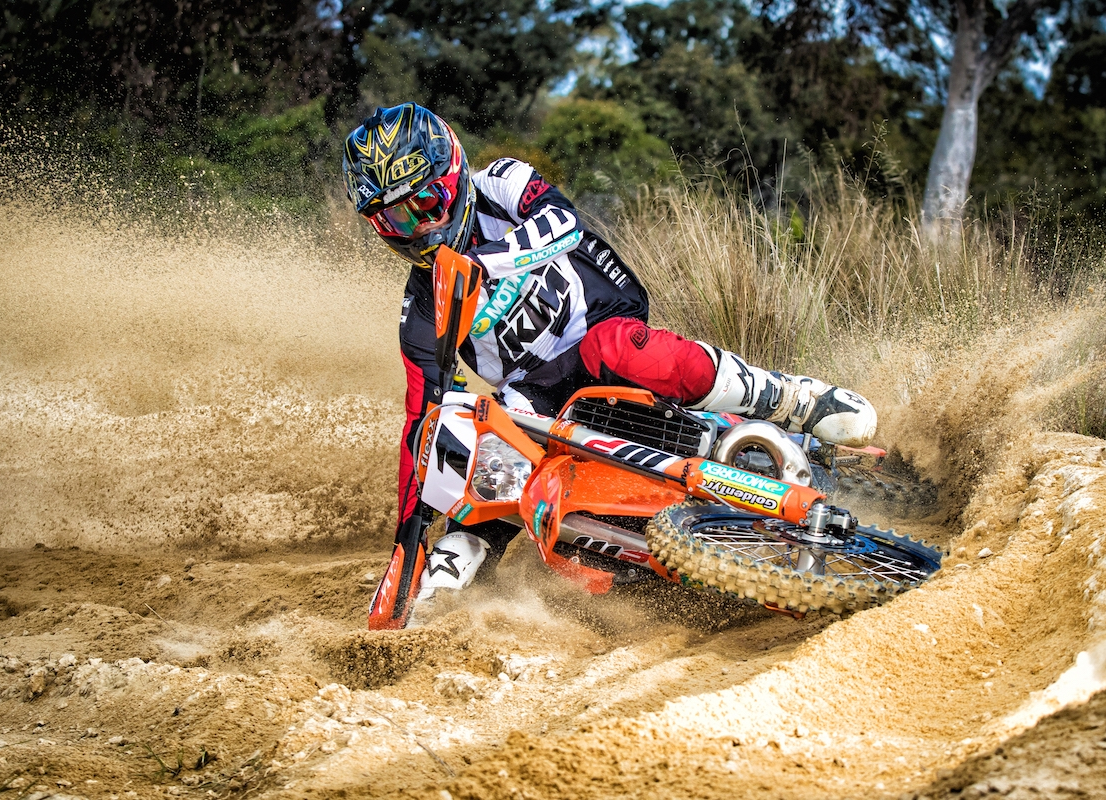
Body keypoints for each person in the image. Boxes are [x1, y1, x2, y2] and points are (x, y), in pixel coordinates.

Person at [344, 103, 877, 629]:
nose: (420, 229)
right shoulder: (421, 311)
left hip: (600, 324)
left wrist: (482, 264)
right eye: (396, 218)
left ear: (455, 175)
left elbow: (563, 222)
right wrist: (406, 544)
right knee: (479, 439)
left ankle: (793, 399)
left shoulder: (502, 181)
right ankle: (461, 565)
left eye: (427, 202)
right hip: (536, 394)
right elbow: (421, 427)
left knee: (617, 347)